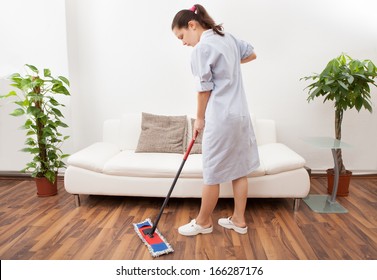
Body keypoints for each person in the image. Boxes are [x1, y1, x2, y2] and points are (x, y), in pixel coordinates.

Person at [171, 4, 260, 236]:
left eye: (182, 36)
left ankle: (203, 223)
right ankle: (239, 220)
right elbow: (251, 53)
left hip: (221, 118)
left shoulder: (202, 49)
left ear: (192, 25)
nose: (183, 42)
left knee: (212, 171)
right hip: (240, 115)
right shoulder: (227, 38)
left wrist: (199, 119)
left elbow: (203, 90)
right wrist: (228, 65)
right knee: (239, 169)